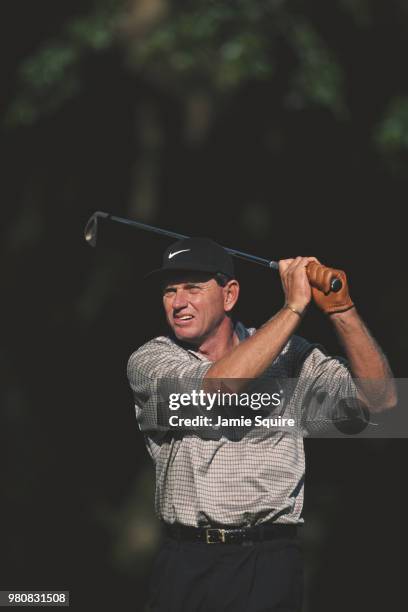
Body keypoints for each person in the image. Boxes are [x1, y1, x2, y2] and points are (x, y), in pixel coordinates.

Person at [127, 237, 396, 612]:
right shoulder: (152, 360)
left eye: (192, 288)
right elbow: (219, 388)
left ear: (230, 295)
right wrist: (294, 307)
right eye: (169, 291)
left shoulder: (291, 356)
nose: (178, 303)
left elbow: (381, 402)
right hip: (189, 561)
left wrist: (341, 310)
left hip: (272, 564)